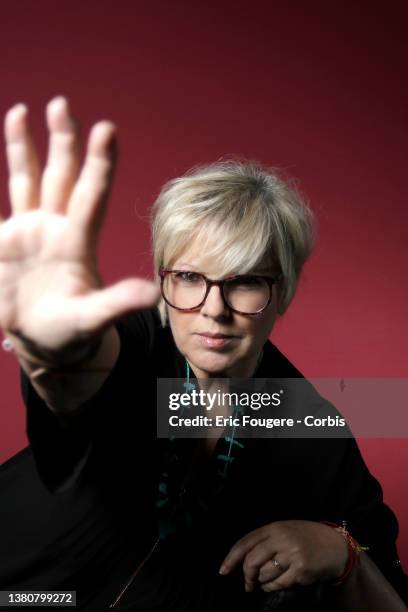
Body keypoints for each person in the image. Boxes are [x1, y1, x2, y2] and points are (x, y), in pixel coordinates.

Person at [0, 96, 407, 612]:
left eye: (244, 283)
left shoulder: (311, 428)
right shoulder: (140, 342)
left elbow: (390, 594)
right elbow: (85, 376)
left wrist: (343, 551)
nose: (213, 309)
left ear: (282, 291)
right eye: (189, 277)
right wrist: (53, 348)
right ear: (163, 277)